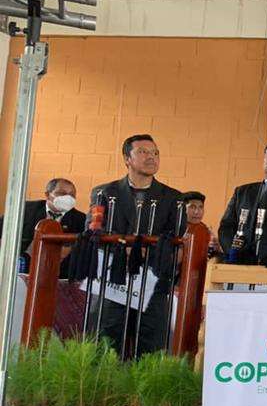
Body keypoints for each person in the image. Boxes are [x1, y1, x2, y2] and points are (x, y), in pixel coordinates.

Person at [92, 134, 183, 355]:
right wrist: (125, 247)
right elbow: (94, 230)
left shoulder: (173, 198)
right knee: (106, 344)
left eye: (155, 153)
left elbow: (176, 239)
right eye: (143, 152)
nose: (151, 157)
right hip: (113, 280)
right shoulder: (105, 193)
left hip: (153, 282)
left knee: (151, 347)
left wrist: (149, 252)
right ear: (127, 159)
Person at [0, 177, 85, 269]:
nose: (68, 198)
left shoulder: (80, 219)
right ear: (47, 195)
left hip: (58, 270)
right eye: (62, 193)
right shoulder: (25, 209)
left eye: (72, 195)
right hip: (21, 266)